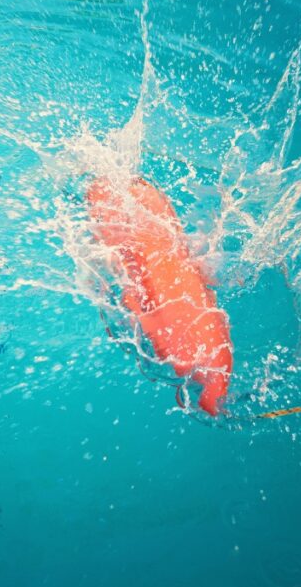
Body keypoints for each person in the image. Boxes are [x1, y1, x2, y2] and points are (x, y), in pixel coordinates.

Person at [87, 176, 233, 415]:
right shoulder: (147, 200)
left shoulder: (114, 216)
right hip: (147, 221)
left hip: (137, 234)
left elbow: (126, 300)